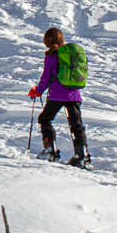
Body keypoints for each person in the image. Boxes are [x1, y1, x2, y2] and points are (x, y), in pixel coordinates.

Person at [29, 27, 87, 165]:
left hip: (56, 95)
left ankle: (50, 149)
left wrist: (38, 91)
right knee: (76, 125)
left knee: (44, 119)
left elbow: (46, 77)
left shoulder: (51, 56)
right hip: (74, 95)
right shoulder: (71, 53)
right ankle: (81, 154)